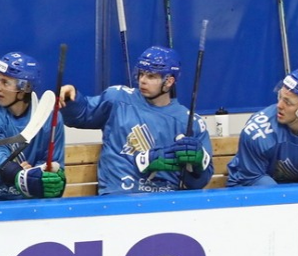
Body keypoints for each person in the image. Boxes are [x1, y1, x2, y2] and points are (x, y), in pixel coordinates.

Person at [59, 45, 214, 195]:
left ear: (169, 82)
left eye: (151, 76)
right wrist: (70, 100)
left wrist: (198, 164)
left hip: (167, 201)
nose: (142, 80)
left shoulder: (191, 122)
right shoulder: (118, 99)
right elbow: (82, 115)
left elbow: (199, 182)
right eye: (141, 74)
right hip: (118, 196)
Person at [0, 51, 65, 200]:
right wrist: (19, 174)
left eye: (5, 82)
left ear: (26, 88)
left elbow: (53, 166)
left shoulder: (50, 117)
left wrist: (42, 176)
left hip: (30, 196)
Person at [227, 68, 298, 186]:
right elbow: (253, 177)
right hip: (251, 188)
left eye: (288, 102)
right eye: (280, 97)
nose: (279, 105)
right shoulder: (256, 132)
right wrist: (289, 196)